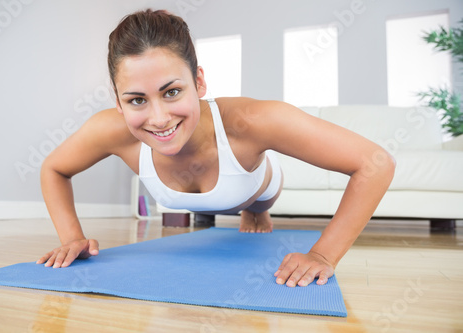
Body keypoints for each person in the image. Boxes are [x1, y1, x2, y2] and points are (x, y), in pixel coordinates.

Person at [36, 9, 395, 288]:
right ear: (118, 101)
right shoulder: (109, 130)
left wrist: (323, 254)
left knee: (259, 202)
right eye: (136, 100)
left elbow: (376, 163)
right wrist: (72, 238)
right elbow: (54, 168)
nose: (159, 118)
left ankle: (256, 210)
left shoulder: (254, 121)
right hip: (209, 191)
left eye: (172, 91)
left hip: (254, 185)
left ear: (199, 81)